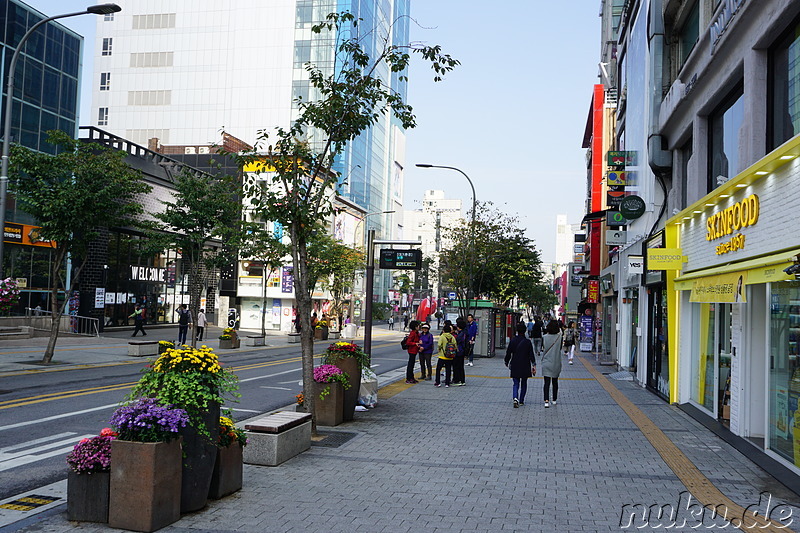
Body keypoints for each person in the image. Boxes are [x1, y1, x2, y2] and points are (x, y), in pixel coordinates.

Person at [504, 323, 537, 408]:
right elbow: (531, 354)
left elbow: (508, 353)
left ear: (517, 331)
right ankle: (521, 400)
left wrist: (506, 361)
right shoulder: (527, 342)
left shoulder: (513, 340)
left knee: (515, 383)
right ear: (525, 331)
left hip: (515, 364)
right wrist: (533, 364)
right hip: (525, 364)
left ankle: (515, 397)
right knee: (524, 383)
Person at [540, 320, 563, 407]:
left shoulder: (544, 337)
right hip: (556, 361)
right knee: (555, 382)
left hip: (546, 362)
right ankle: (554, 399)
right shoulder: (559, 337)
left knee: (546, 382)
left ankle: (546, 400)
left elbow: (543, 348)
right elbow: (560, 348)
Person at [451, 317, 468, 386]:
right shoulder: (464, 332)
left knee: (457, 366)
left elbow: (457, 341)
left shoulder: (461, 334)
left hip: (459, 352)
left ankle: (458, 380)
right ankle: (461, 380)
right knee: (460, 366)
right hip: (461, 351)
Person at [405, 320, 421, 384]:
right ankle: (409, 378)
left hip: (414, 351)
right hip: (412, 350)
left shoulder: (416, 333)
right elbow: (408, 342)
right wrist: (415, 344)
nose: (418, 327)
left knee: (412, 365)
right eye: (417, 326)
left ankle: (411, 377)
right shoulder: (413, 333)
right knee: (410, 365)